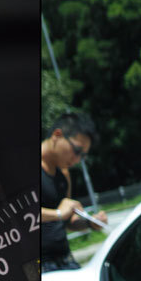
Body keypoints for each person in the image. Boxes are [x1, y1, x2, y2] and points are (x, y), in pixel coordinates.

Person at [40, 111, 107, 272]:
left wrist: (90, 222)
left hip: (65, 261)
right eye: (76, 151)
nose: (77, 160)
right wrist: (57, 213)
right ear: (57, 135)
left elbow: (67, 221)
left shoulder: (63, 173)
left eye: (82, 156)